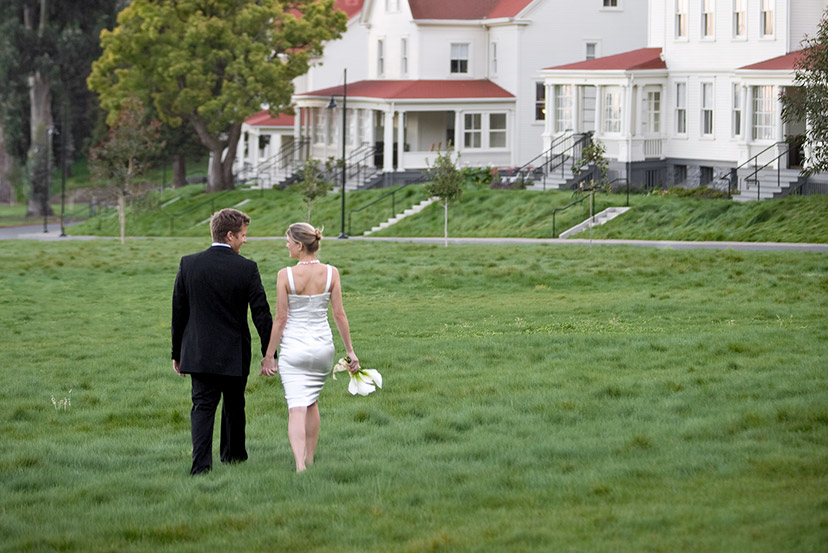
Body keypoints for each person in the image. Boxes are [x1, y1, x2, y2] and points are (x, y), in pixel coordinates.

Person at [171, 208, 272, 475]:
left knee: (202, 408)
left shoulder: (188, 264)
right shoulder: (247, 268)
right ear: (230, 235)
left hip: (199, 352)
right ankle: (234, 456)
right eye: (243, 235)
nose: (245, 241)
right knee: (234, 405)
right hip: (234, 352)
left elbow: (178, 312)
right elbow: (261, 312)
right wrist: (269, 352)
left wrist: (177, 353)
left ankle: (200, 466)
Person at [260, 223, 359, 472]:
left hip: (294, 349)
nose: (286, 245)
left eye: (288, 241)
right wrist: (350, 352)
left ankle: (300, 465)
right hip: (323, 349)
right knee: (312, 401)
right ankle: (311, 459)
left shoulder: (286, 275)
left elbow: (281, 319)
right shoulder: (332, 273)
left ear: (299, 245)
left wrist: (269, 356)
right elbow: (339, 314)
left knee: (296, 406)